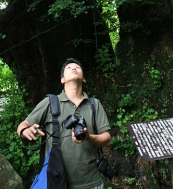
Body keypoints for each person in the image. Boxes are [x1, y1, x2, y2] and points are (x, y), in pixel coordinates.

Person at [17, 58, 111, 189]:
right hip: (57, 182)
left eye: (78, 67)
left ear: (83, 78)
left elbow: (107, 139)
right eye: (69, 68)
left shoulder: (94, 104)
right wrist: (25, 131)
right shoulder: (50, 103)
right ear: (62, 80)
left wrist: (88, 137)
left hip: (91, 182)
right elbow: (23, 124)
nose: (74, 68)